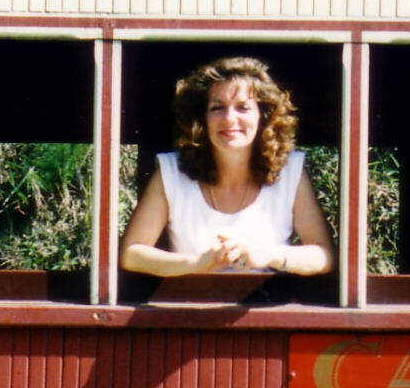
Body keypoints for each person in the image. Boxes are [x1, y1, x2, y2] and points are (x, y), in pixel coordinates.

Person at [120, 57, 335, 277]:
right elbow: (132, 253)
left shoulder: (291, 171)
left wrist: (271, 255)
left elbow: (323, 255)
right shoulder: (172, 172)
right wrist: (197, 263)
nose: (230, 119)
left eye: (243, 107)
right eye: (217, 108)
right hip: (190, 308)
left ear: (263, 116)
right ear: (201, 119)